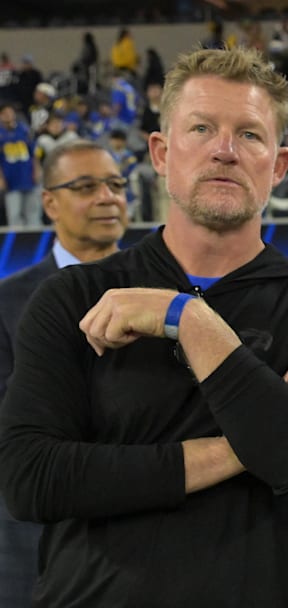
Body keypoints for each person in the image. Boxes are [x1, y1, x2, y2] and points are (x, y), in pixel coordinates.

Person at [0, 47, 288, 607]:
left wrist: (187, 318)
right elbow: (33, 480)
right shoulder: (72, 297)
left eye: (249, 134)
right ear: (160, 151)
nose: (224, 150)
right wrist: (257, 432)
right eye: (201, 128)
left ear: (279, 164)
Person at [0, 138, 127, 608]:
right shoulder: (8, 302)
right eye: (86, 186)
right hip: (34, 552)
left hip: (152, 550)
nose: (108, 197)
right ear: (50, 202)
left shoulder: (170, 295)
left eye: (116, 184)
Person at [0, 102, 41, 228]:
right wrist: (1, 178)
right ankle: (16, 247)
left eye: (10, 112)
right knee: (14, 216)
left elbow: (33, 153)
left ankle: (36, 245)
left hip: (28, 176)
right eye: (5, 113)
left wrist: (37, 170)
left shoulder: (24, 129)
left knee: (34, 215)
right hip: (11, 180)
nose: (9, 115)